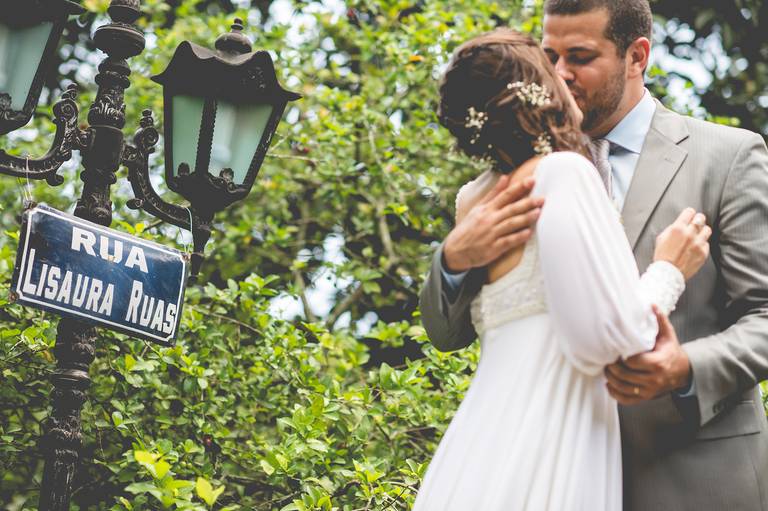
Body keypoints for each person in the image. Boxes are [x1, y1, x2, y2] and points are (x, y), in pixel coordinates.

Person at [419, 1, 768, 509]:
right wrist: (452, 260)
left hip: (692, 477)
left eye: (580, 56)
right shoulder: (494, 189)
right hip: (544, 468)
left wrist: (684, 368)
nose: (560, 73)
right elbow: (446, 332)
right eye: (550, 56)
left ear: (637, 56)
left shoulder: (729, 156)